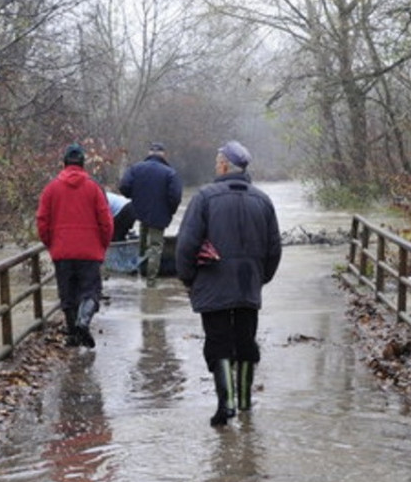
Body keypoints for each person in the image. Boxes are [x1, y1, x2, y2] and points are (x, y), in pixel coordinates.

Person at [175, 140, 282, 427]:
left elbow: (186, 244)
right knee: (246, 341)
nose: (214, 165)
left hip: (212, 282)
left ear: (224, 165)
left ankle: (227, 404)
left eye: (216, 160)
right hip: (249, 285)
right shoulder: (262, 200)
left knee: (218, 343)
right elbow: (274, 248)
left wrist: (189, 279)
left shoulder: (204, 198)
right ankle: (245, 402)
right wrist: (261, 278)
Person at [37, 143, 113, 348]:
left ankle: (73, 334)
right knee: (90, 292)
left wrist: (51, 244)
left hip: (62, 251)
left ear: (64, 164)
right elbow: (106, 222)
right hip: (89, 252)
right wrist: (102, 246)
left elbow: (42, 221)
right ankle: (83, 322)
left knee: (67, 295)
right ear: (83, 163)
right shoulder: (94, 188)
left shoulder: (51, 189)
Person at [118, 141, 183, 287]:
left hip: (140, 212)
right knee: (155, 246)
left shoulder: (135, 168)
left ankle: (140, 273)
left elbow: (124, 186)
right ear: (163, 155)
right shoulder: (170, 173)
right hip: (159, 216)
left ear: (149, 154)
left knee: (142, 242)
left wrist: (134, 199)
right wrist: (169, 211)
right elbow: (176, 196)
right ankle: (151, 283)